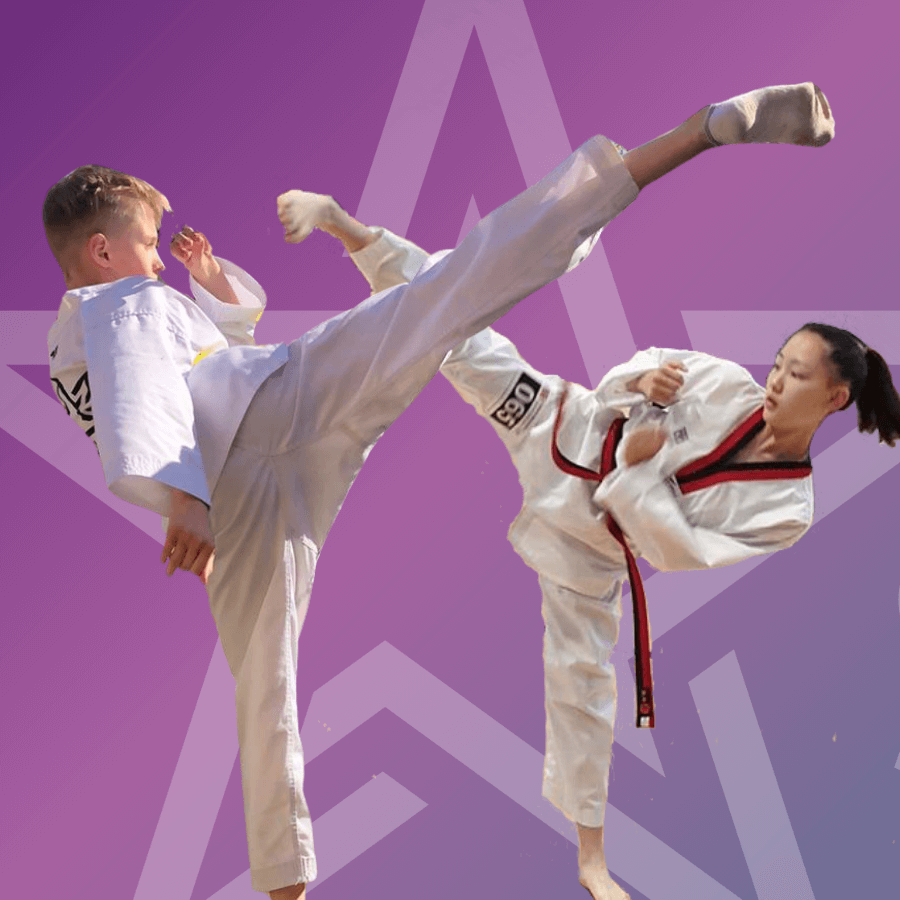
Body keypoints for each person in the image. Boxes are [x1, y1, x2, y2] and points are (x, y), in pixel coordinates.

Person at [43, 82, 836, 899]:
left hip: (244, 480)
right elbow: (151, 384)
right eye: (144, 243)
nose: (154, 258)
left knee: (263, 686)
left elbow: (176, 376)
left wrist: (207, 297)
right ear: (102, 253)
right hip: (283, 411)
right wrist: (187, 502)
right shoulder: (120, 305)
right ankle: (697, 135)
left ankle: (286, 890)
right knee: (455, 289)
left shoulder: (88, 335)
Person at [291, 84, 893, 900]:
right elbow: (621, 385)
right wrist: (638, 378)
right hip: (553, 425)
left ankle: (589, 861)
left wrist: (643, 465)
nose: (775, 380)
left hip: (590, 549)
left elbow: (677, 545)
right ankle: (352, 230)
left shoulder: (788, 507)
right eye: (778, 363)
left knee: (581, 691)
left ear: (836, 400)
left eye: (795, 377)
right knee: (460, 326)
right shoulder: (724, 383)